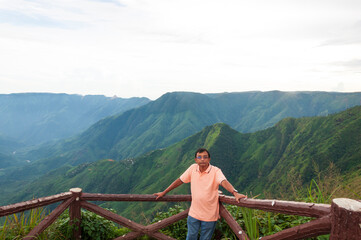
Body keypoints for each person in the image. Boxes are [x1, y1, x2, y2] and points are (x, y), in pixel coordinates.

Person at [154, 148, 247, 240]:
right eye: (199, 157)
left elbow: (223, 181)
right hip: (194, 213)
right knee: (190, 237)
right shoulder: (192, 168)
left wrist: (235, 193)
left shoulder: (216, 171)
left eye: (205, 157)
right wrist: (164, 192)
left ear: (209, 159)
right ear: (196, 160)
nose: (202, 159)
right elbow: (180, 180)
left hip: (209, 216)